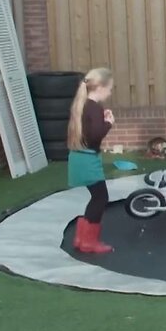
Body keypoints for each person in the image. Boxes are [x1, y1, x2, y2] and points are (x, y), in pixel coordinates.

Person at [67, 68, 116, 254]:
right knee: (101, 197)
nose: (110, 93)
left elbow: (88, 130)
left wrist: (101, 121)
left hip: (79, 157)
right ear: (101, 88)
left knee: (96, 197)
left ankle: (81, 238)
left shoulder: (82, 104)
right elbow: (95, 136)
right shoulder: (94, 107)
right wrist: (108, 123)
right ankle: (89, 242)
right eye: (109, 89)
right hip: (88, 160)